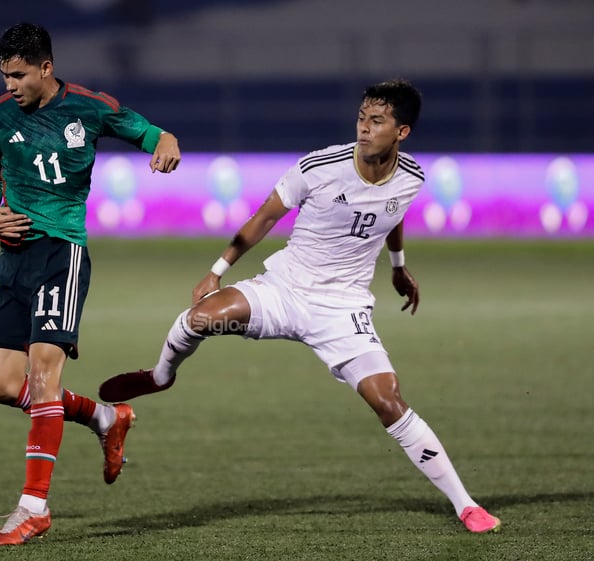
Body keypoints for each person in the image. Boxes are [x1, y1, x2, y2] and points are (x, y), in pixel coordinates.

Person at [99, 79, 501, 534]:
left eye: (377, 121)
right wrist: (216, 270)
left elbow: (392, 214)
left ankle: (466, 505)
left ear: (402, 131)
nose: (365, 129)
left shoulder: (412, 178)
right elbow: (264, 218)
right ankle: (160, 376)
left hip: (343, 310)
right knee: (200, 319)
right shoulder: (319, 166)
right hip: (284, 289)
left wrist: (397, 267)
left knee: (388, 401)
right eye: (361, 118)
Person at [0, 22, 181, 546]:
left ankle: (32, 508)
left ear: (46, 67)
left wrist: (166, 145)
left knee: (43, 379)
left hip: (60, 254)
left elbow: (156, 135)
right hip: (12, 263)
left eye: (18, 74)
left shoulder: (89, 107)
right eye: (4, 75)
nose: (10, 84)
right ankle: (105, 416)